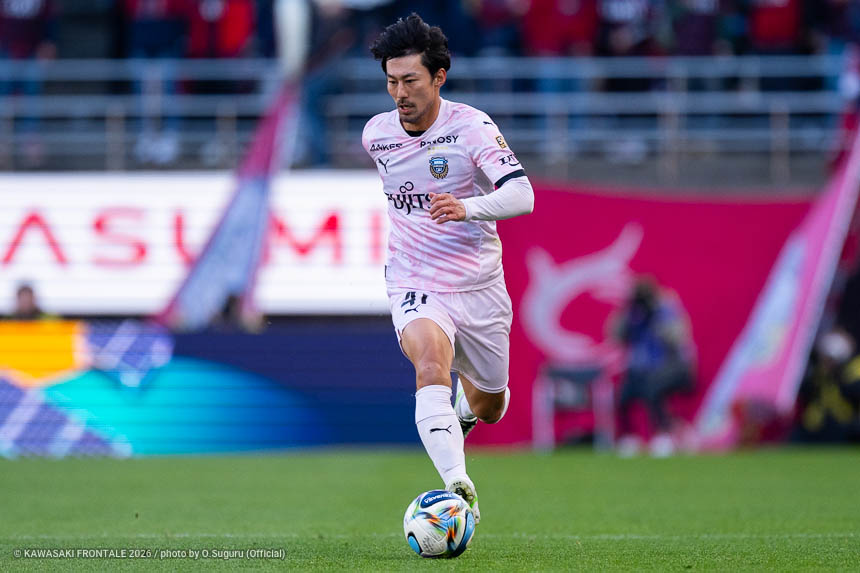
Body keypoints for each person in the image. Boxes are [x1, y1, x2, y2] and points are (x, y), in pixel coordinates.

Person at [362, 13, 534, 524]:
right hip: (414, 279)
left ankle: (463, 411)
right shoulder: (376, 135)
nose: (400, 93)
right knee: (430, 364)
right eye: (392, 81)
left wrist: (466, 208)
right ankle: (459, 486)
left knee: (491, 406)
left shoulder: (471, 126)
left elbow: (522, 195)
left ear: (439, 76)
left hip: (479, 284)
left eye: (411, 81)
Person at [612, 279, 695, 456]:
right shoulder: (633, 314)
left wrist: (657, 317)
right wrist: (627, 313)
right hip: (641, 370)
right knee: (623, 395)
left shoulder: (666, 309)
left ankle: (663, 434)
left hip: (672, 367)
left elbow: (678, 339)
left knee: (653, 389)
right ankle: (629, 437)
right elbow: (616, 336)